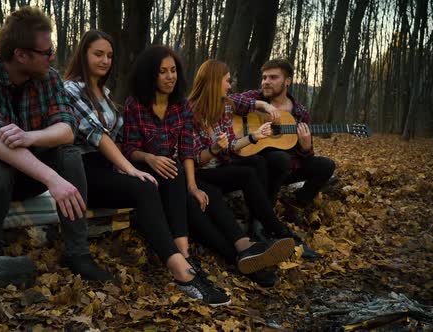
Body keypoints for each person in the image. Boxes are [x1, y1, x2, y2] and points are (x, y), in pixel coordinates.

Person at [0, 7, 112, 281]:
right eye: (46, 52)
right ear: (21, 54)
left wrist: (31, 136)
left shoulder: (49, 78)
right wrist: (51, 179)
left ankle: (78, 253)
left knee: (68, 153)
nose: (52, 56)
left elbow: (67, 129)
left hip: (23, 174)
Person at [63, 32, 229, 307]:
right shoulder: (71, 89)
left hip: (110, 166)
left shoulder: (103, 93)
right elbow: (99, 136)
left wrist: (144, 167)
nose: (105, 60)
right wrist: (132, 167)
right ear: (83, 55)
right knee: (145, 184)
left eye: (109, 55)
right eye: (98, 54)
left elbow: (120, 140)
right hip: (83, 170)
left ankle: (183, 253)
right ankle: (180, 271)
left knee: (167, 170)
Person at [186, 60, 295, 286]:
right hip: (197, 174)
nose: (230, 86)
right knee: (236, 179)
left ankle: (258, 240)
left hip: (218, 170)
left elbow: (233, 145)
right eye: (227, 81)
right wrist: (214, 149)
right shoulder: (189, 113)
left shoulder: (224, 106)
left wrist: (255, 136)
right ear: (215, 82)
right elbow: (194, 159)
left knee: (250, 168)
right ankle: (274, 233)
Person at [230, 58, 336, 210]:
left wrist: (306, 148)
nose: (266, 81)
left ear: (287, 81)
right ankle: (265, 214)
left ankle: (296, 204)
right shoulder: (255, 97)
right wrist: (262, 105)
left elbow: (305, 156)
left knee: (326, 165)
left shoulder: (299, 113)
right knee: (280, 159)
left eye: (273, 77)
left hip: (286, 168)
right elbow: (228, 101)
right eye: (264, 77)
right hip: (257, 162)